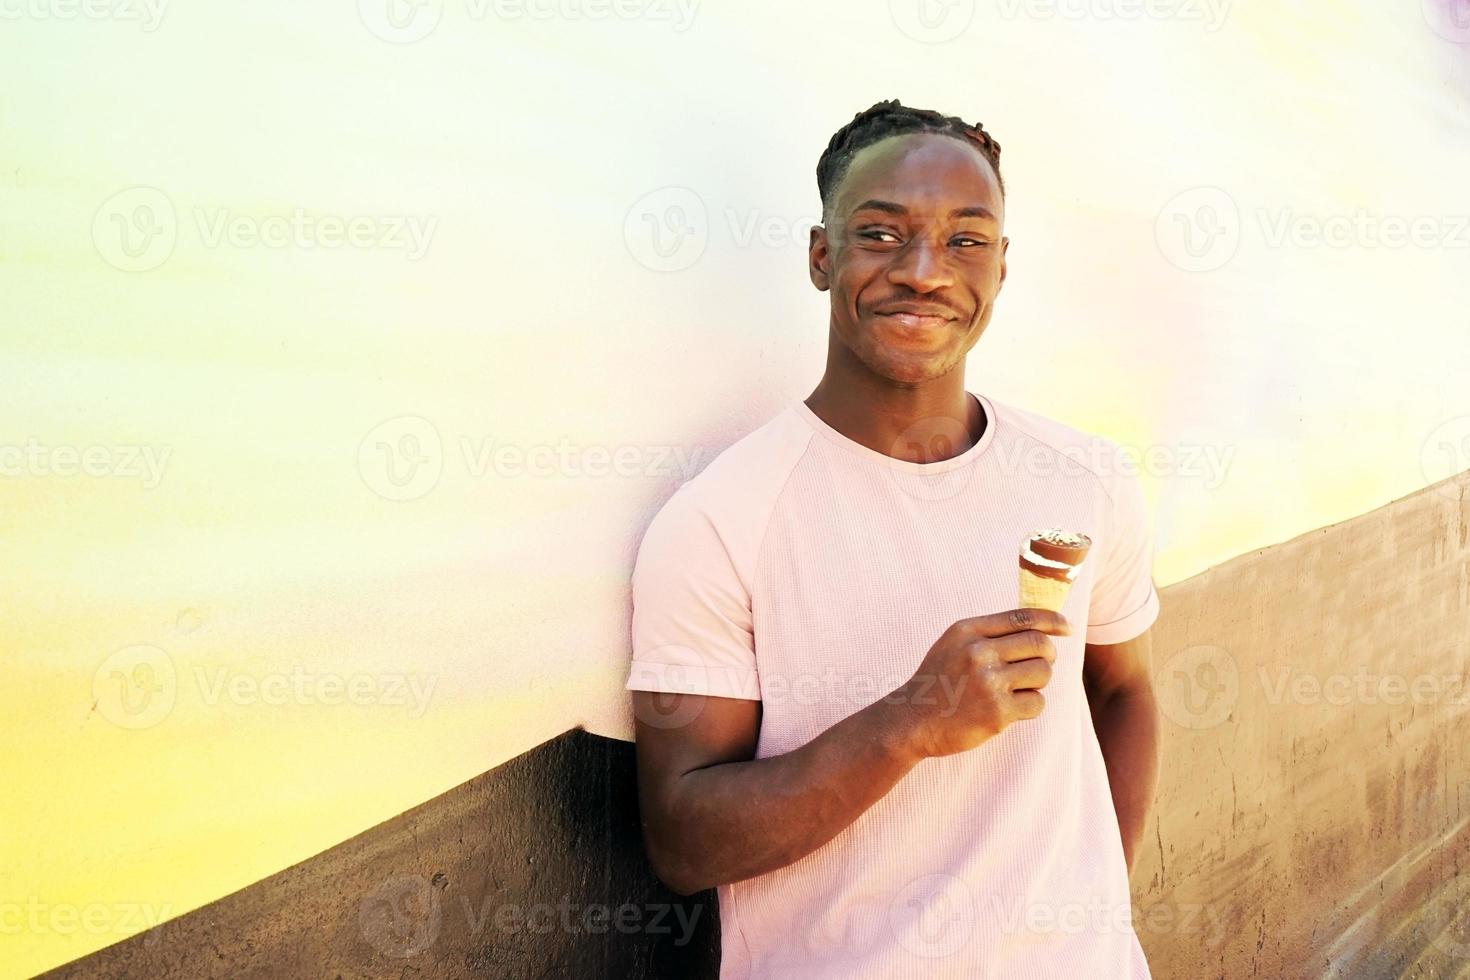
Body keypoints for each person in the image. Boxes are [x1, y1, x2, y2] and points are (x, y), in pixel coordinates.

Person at [625, 98, 1162, 979]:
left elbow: (1125, 691)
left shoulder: (1086, 479)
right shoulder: (720, 521)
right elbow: (685, 842)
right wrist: (909, 722)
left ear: (999, 266)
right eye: (881, 234)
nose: (924, 271)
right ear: (821, 255)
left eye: (965, 239)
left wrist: (1098, 918)